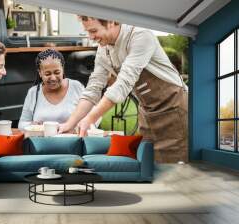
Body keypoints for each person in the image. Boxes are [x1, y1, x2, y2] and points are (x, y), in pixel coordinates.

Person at [59, 17, 188, 163]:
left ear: (112, 21)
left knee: (175, 168)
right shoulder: (104, 49)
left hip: (173, 108)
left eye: (93, 31)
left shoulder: (140, 36)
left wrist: (90, 118)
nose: (91, 37)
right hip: (147, 113)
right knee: (149, 165)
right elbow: (93, 88)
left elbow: (123, 84)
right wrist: (70, 123)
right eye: (88, 31)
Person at [18, 49, 85, 130]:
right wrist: (31, 125)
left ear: (62, 69)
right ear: (40, 73)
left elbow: (94, 117)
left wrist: (80, 126)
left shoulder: (76, 87)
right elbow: (21, 124)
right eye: (47, 74)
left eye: (57, 72)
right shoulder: (33, 92)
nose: (53, 78)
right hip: (41, 141)